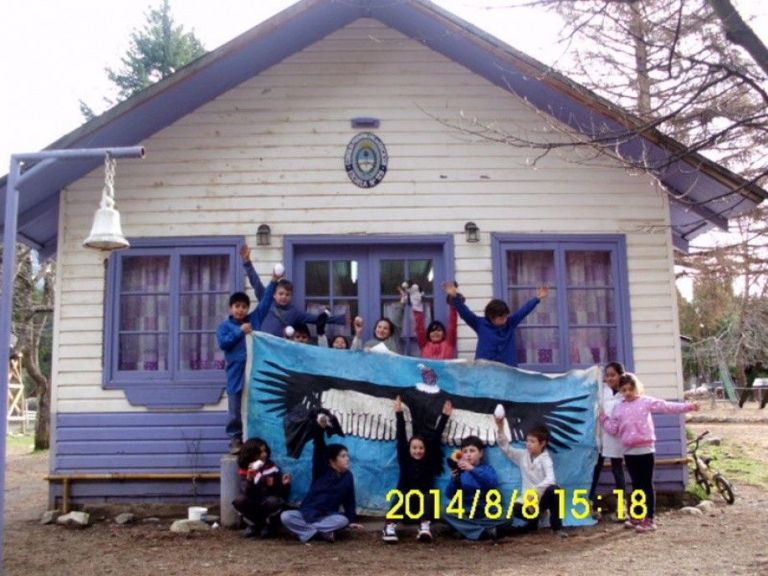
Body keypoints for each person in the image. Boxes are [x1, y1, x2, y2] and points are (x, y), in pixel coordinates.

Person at [600, 373, 699, 533]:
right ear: (621, 391)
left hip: (645, 450)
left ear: (636, 388)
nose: (628, 393)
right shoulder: (619, 408)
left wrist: (689, 407)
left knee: (646, 484)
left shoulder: (645, 402)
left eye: (630, 389)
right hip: (629, 452)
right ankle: (638, 515)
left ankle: (650, 519)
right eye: (624, 390)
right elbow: (614, 429)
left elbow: (667, 406)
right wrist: (603, 419)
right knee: (637, 485)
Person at [217, 269, 280, 454]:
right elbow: (223, 343)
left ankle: (253, 438)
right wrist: (240, 331)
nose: (240, 310)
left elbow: (266, 302)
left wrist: (274, 280)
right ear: (231, 308)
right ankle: (235, 439)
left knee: (254, 404)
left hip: (254, 370)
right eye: (236, 306)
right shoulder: (225, 326)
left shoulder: (254, 319)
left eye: (244, 306)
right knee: (235, 407)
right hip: (235, 372)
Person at [280, 416, 362, 543]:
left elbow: (349, 501)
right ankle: (322, 533)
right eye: (343, 456)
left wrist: (351, 521)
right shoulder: (321, 470)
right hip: (308, 513)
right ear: (332, 460)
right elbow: (319, 447)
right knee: (286, 516)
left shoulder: (348, 476)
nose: (347, 459)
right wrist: (320, 428)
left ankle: (308, 533)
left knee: (343, 521)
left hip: (328, 516)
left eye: (347, 456)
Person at [382, 396, 452, 544]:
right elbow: (401, 436)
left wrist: (445, 416)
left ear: (425, 450)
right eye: (414, 448)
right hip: (405, 510)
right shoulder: (404, 459)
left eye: (421, 448)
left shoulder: (428, 461)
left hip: (423, 511)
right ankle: (389, 527)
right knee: (400, 494)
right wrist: (399, 414)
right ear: (409, 449)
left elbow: (436, 437)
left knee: (429, 494)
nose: (417, 451)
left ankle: (424, 528)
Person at [240, 244, 346, 338]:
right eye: (281, 293)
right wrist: (247, 262)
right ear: (274, 294)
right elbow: (256, 282)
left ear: (291, 296)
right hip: (262, 345)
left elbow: (315, 319)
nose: (284, 297)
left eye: (287, 294)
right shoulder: (266, 301)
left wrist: (342, 319)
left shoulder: (294, 313)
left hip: (280, 349)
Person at [443, 282, 549, 367]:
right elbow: (465, 313)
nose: (505, 320)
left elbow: (523, 311)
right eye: (501, 318)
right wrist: (455, 297)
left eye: (506, 316)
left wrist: (537, 298)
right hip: (485, 371)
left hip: (508, 371)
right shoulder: (480, 324)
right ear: (491, 316)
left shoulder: (510, 323)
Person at [495, 419, 567, 537]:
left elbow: (551, 479)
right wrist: (500, 428)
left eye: (532, 441)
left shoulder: (546, 459)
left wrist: (535, 491)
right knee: (515, 508)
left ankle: (557, 528)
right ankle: (533, 523)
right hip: (528, 501)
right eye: (527, 441)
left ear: (542, 443)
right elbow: (506, 449)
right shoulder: (523, 455)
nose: (528, 444)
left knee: (555, 491)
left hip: (541, 499)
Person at [443, 435, 502, 541]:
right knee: (444, 511)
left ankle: (466, 529)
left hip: (485, 512)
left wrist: (472, 469)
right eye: (465, 451)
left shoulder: (487, 469)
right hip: (467, 512)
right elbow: (449, 495)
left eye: (472, 451)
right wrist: (454, 480)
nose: (468, 455)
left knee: (508, 517)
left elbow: (492, 483)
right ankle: (482, 532)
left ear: (481, 453)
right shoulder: (460, 472)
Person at [589, 362, 627, 519]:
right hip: (601, 436)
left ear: (620, 375)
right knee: (595, 469)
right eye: (607, 375)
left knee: (617, 470)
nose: (610, 378)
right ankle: (589, 505)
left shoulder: (625, 392)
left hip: (616, 438)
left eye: (613, 375)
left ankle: (621, 507)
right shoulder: (601, 391)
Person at [233, 438, 292, 538]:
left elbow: (280, 492)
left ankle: (268, 526)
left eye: (265, 451)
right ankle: (253, 525)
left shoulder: (271, 467)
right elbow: (246, 491)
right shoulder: (245, 470)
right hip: (253, 502)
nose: (263, 455)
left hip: (267, 502)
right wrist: (250, 479)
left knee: (274, 501)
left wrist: (284, 484)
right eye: (259, 453)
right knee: (239, 501)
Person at [408, 282, 458, 360]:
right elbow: (419, 328)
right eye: (432, 330)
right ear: (428, 334)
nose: (435, 332)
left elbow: (452, 326)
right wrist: (416, 307)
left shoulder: (449, 344)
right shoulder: (424, 345)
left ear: (444, 333)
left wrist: (453, 300)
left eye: (438, 330)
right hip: (428, 372)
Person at [355, 288, 407, 353]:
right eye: (379, 327)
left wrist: (402, 302)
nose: (381, 330)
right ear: (375, 329)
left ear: (390, 332)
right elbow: (355, 355)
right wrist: (358, 334)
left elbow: (397, 319)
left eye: (385, 328)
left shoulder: (393, 339)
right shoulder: (368, 344)